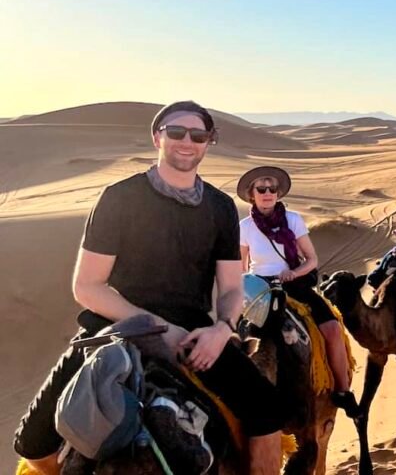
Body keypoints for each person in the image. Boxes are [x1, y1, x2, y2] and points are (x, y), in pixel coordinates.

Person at [13, 101, 283, 475]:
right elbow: (87, 286)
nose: (187, 141)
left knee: (268, 412)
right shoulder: (120, 197)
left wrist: (222, 330)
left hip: (193, 335)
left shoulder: (220, 207)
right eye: (176, 132)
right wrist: (157, 329)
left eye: (198, 135)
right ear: (157, 137)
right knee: (32, 443)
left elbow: (231, 289)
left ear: (208, 142)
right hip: (113, 328)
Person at [238, 165, 357, 414]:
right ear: (252, 194)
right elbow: (241, 266)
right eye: (262, 189)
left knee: (332, 329)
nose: (267, 193)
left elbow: (312, 260)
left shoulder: (292, 220)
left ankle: (343, 390)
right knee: (232, 334)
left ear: (278, 193)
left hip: (294, 284)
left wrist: (294, 273)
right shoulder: (245, 226)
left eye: (272, 189)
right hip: (260, 289)